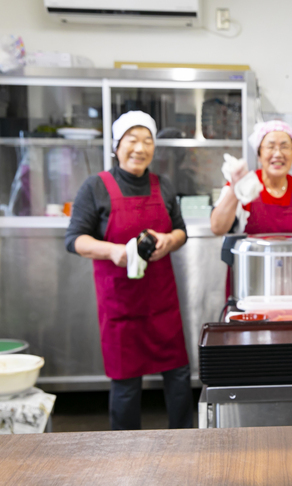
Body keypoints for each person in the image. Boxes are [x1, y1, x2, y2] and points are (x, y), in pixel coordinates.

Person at [65, 111, 193, 429]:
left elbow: (181, 231)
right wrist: (113, 251)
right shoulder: (95, 186)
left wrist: (168, 240)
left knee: (178, 376)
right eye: (131, 140)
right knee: (126, 383)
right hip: (121, 303)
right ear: (116, 146)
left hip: (161, 301)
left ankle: (187, 442)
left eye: (147, 140)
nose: (140, 148)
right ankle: (125, 455)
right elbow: (74, 240)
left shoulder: (162, 185)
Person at [210, 120, 292, 237]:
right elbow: (217, 228)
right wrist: (234, 190)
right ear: (259, 155)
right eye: (270, 147)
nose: (278, 154)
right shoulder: (241, 184)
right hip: (249, 263)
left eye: (285, 147)